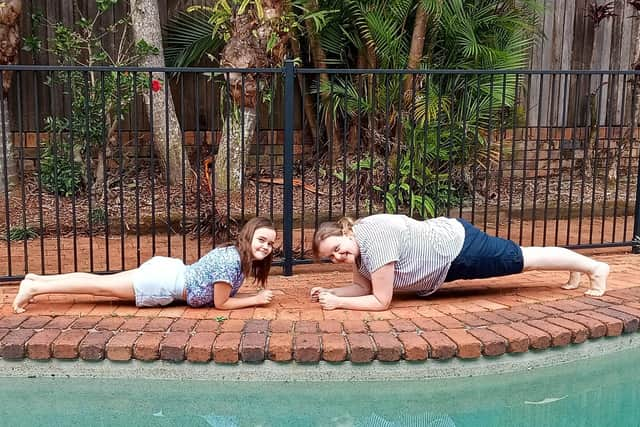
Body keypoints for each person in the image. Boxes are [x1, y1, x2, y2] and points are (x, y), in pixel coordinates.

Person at [310, 214, 610, 311]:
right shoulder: (359, 248)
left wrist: (338, 304)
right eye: (330, 258)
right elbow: (359, 287)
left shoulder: (375, 241)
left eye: (336, 248)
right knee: (522, 256)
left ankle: (595, 268)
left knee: (521, 259)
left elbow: (381, 300)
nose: (337, 257)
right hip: (447, 258)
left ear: (346, 231)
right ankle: (576, 265)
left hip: (459, 248)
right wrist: (332, 292)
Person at [12, 217, 277, 313]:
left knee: (98, 282)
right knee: (98, 287)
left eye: (270, 244)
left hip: (169, 273)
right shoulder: (232, 261)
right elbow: (222, 304)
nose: (265, 247)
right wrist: (255, 299)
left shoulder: (236, 257)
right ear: (248, 236)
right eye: (261, 240)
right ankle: (34, 288)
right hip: (163, 282)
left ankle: (38, 281)